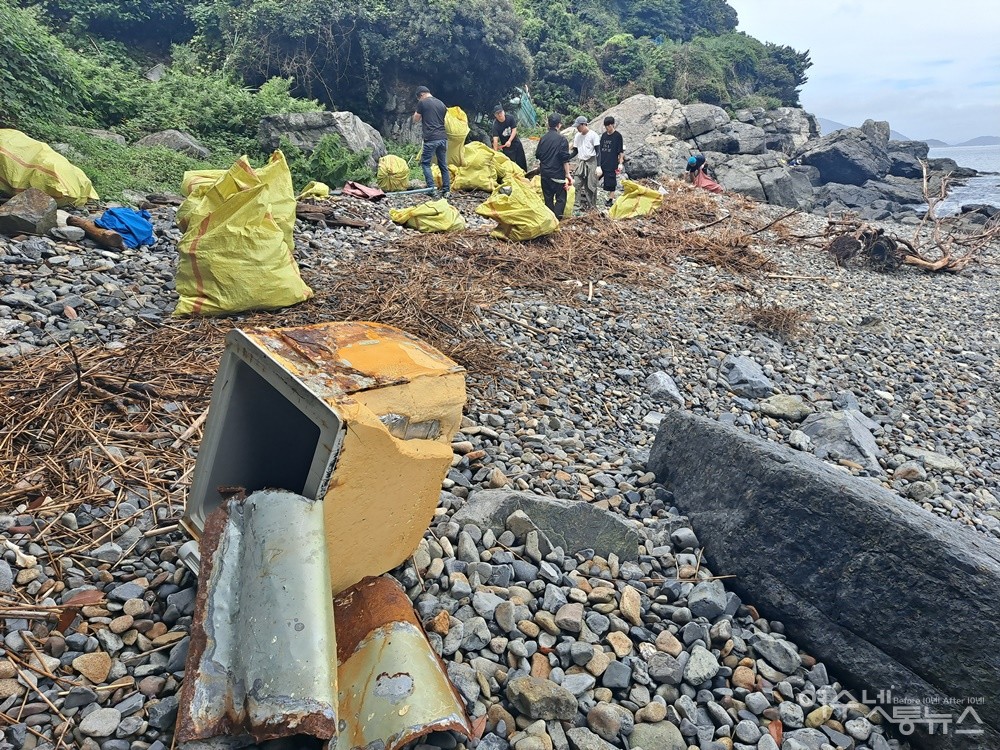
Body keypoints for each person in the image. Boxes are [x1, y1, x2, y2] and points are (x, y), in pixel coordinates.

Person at [534, 112, 574, 220]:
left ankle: (549, 221)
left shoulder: (543, 139)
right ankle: (556, 221)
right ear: (559, 125)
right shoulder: (562, 139)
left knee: (548, 199)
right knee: (561, 198)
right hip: (557, 175)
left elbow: (538, 155)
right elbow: (565, 159)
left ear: (548, 124)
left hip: (545, 174)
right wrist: (568, 175)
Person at [412, 85, 450, 196]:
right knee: (443, 164)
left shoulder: (422, 103)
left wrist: (418, 112)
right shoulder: (441, 104)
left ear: (421, 95)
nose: (419, 100)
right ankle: (446, 190)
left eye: (419, 98)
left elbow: (416, 119)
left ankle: (431, 189)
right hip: (443, 138)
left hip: (431, 138)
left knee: (425, 163)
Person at [571, 116, 601, 212]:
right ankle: (576, 205)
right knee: (576, 183)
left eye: (579, 126)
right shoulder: (577, 136)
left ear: (584, 124)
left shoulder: (593, 135)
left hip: (591, 161)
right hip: (581, 161)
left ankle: (592, 206)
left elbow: (598, 152)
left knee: (590, 185)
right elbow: (575, 151)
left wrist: (598, 166)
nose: (577, 128)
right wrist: (566, 157)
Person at [598, 116, 625, 206]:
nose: (607, 128)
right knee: (594, 178)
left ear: (613, 125)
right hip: (602, 162)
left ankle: (610, 199)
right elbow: (600, 149)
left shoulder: (618, 136)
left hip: (612, 162)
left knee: (611, 182)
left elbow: (620, 151)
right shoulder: (604, 135)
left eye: (609, 126)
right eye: (606, 126)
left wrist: (620, 163)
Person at [492, 105, 527, 171]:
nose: (500, 115)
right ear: (495, 115)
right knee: (511, 166)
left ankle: (526, 176)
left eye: (500, 112)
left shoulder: (510, 118)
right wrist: (495, 153)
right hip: (507, 148)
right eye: (497, 113)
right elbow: (495, 140)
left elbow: (514, 130)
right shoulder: (495, 125)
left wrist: (509, 141)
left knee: (521, 162)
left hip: (516, 143)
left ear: (504, 112)